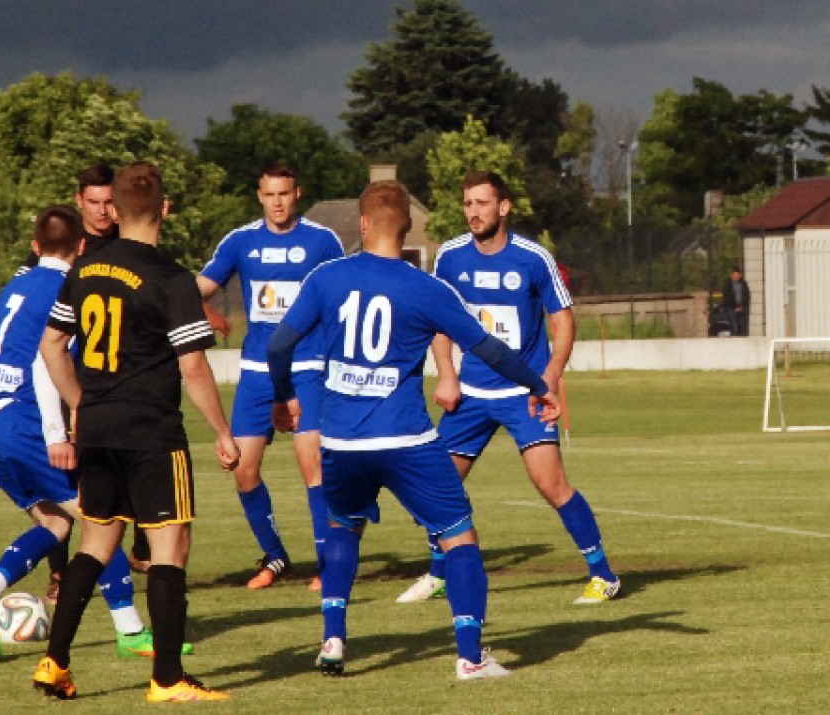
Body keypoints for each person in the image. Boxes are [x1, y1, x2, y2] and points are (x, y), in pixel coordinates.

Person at [266, 180, 560, 680]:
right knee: (458, 536)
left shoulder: (326, 277)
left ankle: (333, 639)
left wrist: (282, 397)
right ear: (405, 227)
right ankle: (470, 658)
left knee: (342, 528)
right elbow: (487, 348)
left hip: (341, 440)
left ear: (362, 224)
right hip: (406, 440)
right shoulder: (427, 288)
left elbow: (278, 346)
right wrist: (539, 384)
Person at [33, 161, 239, 702]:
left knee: (97, 541)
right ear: (165, 208)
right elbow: (193, 367)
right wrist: (223, 431)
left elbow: (51, 346)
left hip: (97, 428)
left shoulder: (85, 268)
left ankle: (55, 662)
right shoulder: (171, 278)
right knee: (171, 545)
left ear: (116, 210)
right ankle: (168, 679)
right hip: (150, 430)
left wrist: (81, 403)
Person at [394, 170, 620, 607]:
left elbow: (563, 321)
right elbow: (439, 323)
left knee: (551, 484)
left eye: (482, 203)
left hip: (523, 394)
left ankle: (603, 574)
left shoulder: (533, 259)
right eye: (468, 204)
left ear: (504, 207)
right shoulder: (450, 257)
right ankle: (439, 574)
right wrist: (447, 375)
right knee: (439, 486)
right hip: (471, 395)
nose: (474, 212)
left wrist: (549, 377)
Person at [0, 204, 154, 662]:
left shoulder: (17, 285)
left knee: (56, 524)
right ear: (82, 246)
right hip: (27, 426)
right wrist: (55, 434)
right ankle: (130, 630)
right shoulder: (70, 290)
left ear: (35, 245)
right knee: (102, 518)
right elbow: (49, 363)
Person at [196, 161, 344, 590]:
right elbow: (199, 287)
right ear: (259, 197)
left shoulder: (322, 241)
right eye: (269, 194)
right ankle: (276, 557)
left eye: (284, 194)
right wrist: (193, 306)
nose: (277, 202)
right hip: (257, 371)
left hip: (308, 365)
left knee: (310, 461)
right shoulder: (240, 241)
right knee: (243, 469)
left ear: (297, 195)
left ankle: (327, 564)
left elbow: (344, 293)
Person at [721, 266, 750, 336]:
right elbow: (726, 297)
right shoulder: (727, 284)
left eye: (737, 275)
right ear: (731, 275)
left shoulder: (743, 284)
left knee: (742, 328)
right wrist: (735, 307)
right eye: (734, 275)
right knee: (734, 327)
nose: (736, 277)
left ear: (740, 275)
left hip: (741, 308)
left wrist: (742, 306)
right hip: (731, 308)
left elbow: (747, 296)